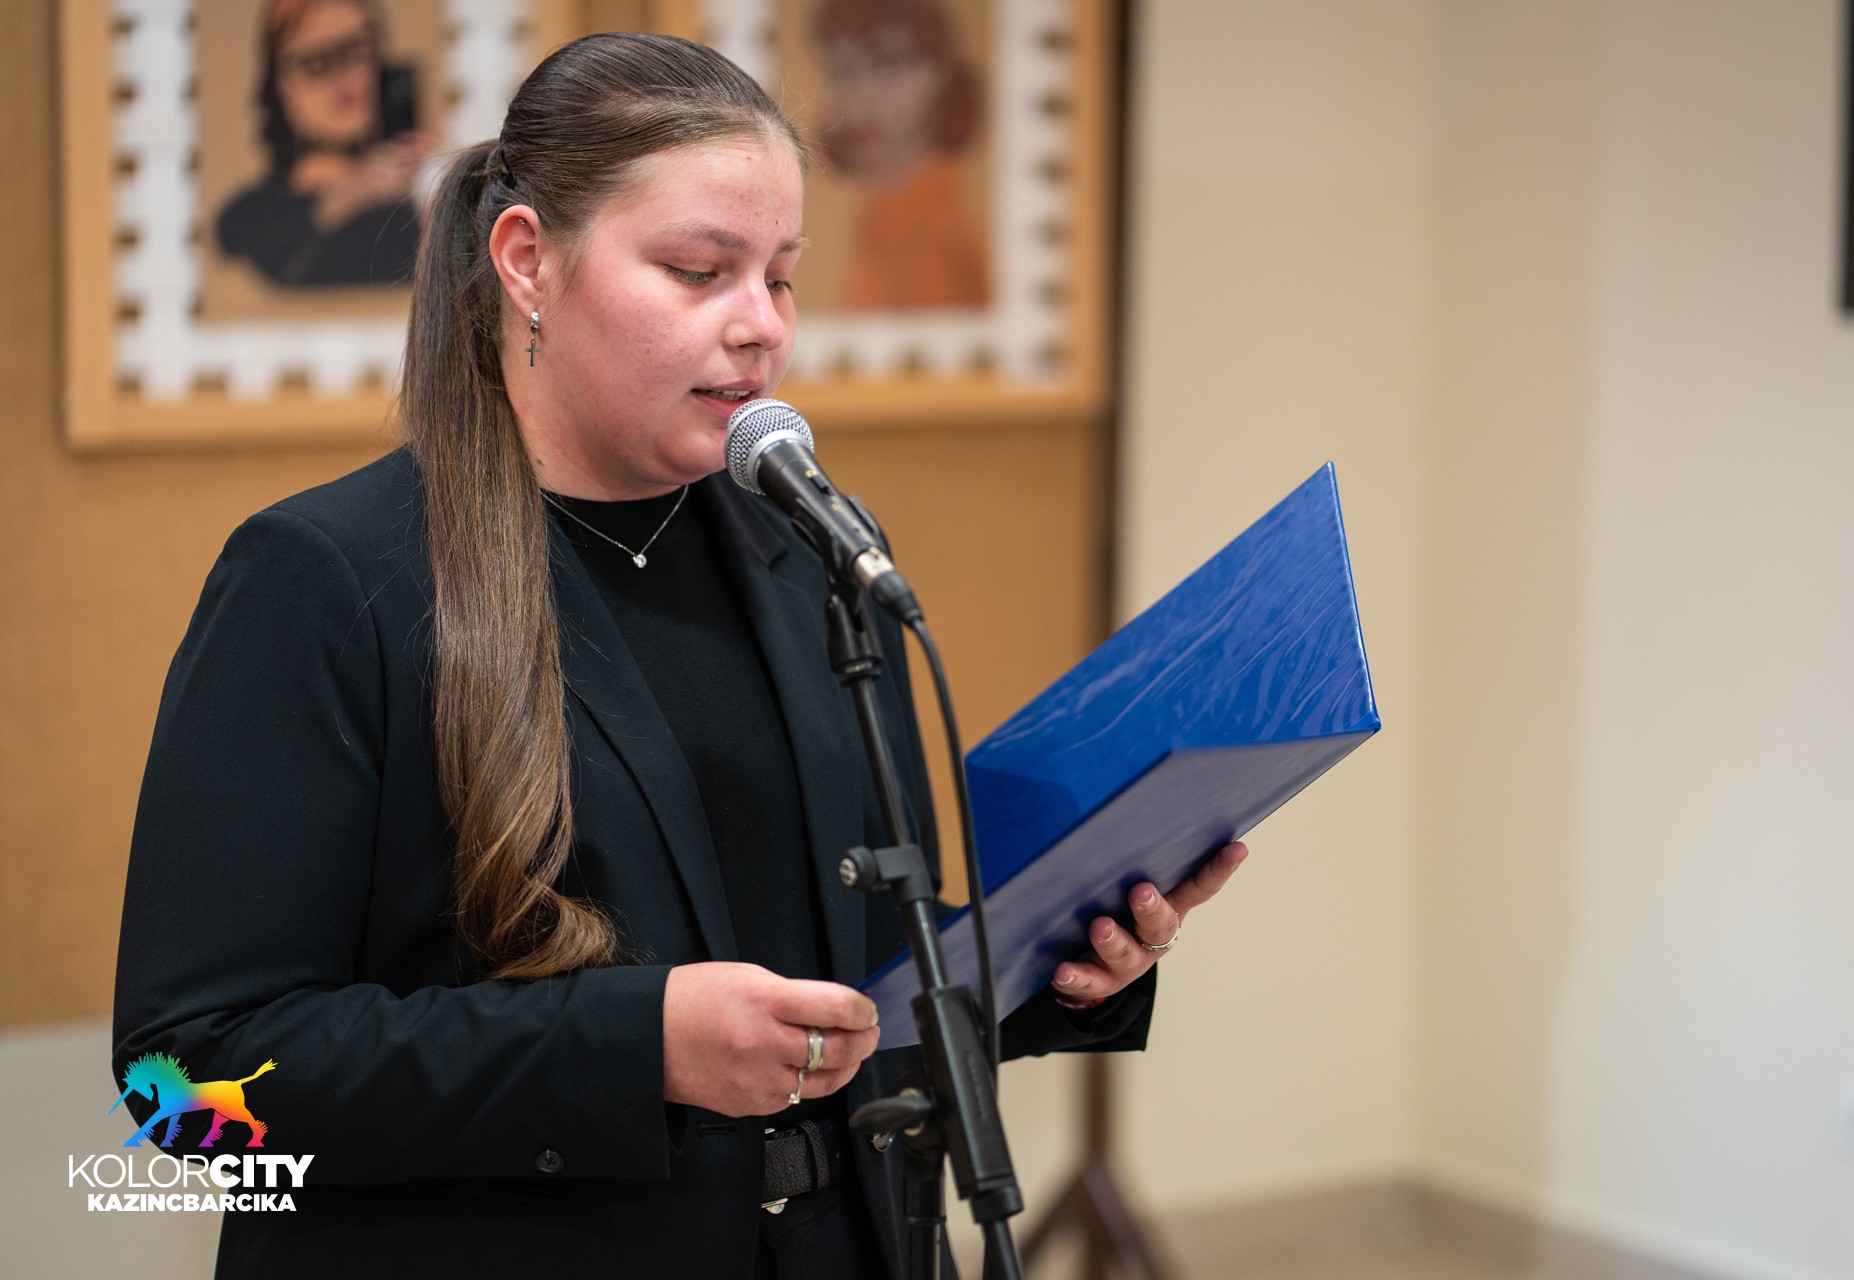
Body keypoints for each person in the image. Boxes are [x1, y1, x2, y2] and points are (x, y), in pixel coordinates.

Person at [114, 32, 1246, 1278]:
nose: (761, 326)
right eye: (699, 271)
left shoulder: (813, 548)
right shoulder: (326, 579)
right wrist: (634, 1045)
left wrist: (1069, 963)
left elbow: (868, 975)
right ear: (528, 260)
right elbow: (183, 1080)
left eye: (782, 277)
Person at [215, 0, 431, 287]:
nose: (346, 77)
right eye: (318, 62)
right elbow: (270, 259)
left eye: (357, 51)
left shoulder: (408, 206)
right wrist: (352, 193)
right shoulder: (254, 213)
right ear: (280, 82)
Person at [814, 0, 991, 310]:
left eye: (887, 65)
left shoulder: (933, 235)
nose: (860, 94)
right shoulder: (885, 214)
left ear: (942, 76)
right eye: (843, 71)